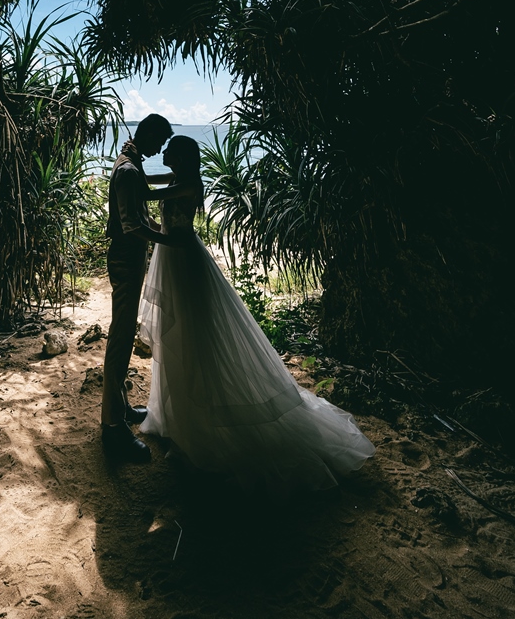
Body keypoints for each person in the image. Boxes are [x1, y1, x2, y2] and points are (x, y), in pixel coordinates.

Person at [138, 135, 376, 492]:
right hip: (174, 263)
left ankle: (200, 424)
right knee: (181, 340)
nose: (165, 152)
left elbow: (155, 205)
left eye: (171, 149)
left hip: (185, 264)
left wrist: (144, 229)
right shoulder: (175, 179)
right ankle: (182, 420)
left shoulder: (187, 184)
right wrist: (130, 168)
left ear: (183, 157)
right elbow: (146, 185)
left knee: (195, 341)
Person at [101, 113, 183, 463]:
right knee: (120, 341)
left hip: (128, 260)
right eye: (160, 141)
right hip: (125, 261)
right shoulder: (128, 169)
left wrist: (177, 178)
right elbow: (132, 224)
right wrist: (166, 240)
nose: (161, 147)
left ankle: (118, 408)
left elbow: (144, 189)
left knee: (122, 336)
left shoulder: (132, 164)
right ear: (148, 134)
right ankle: (113, 428)